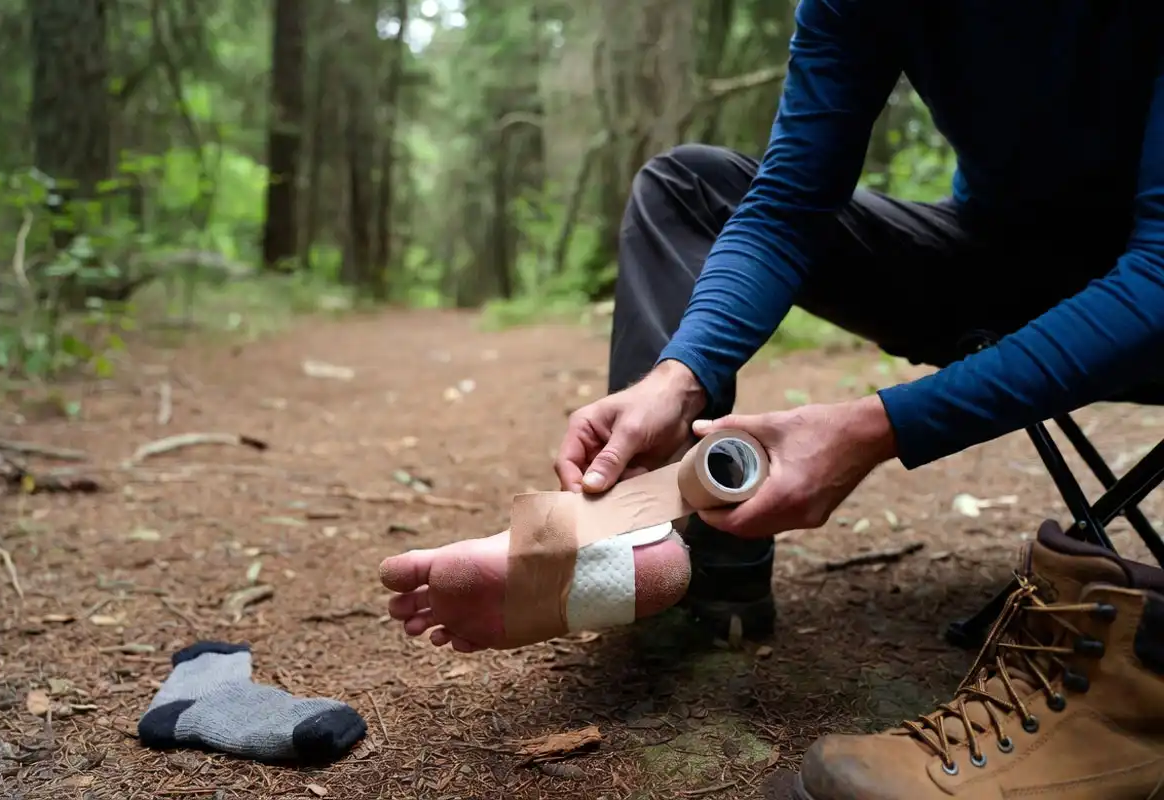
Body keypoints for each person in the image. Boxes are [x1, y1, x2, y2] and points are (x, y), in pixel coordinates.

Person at [380, 1, 1164, 796]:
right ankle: (666, 543)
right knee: (689, 186)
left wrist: (875, 427)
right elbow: (790, 201)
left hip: (1153, 295)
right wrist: (679, 373)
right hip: (994, 264)